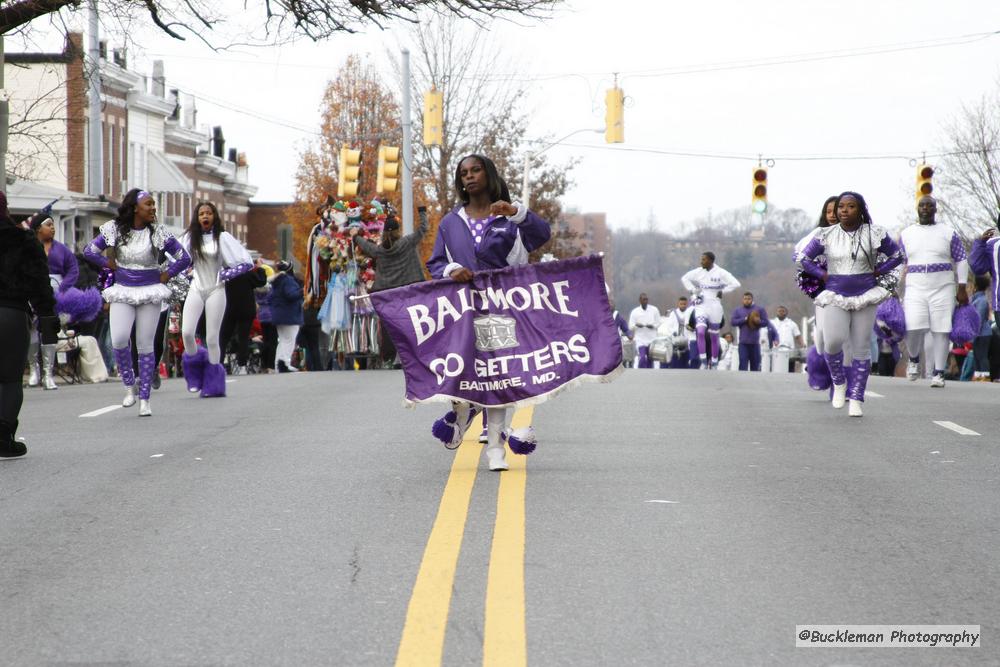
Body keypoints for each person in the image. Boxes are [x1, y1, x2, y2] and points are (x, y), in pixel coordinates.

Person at [426, 153, 551, 472]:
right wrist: (452, 269)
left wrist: (516, 212)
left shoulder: (509, 218)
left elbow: (542, 235)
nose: (469, 176)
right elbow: (436, 263)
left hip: (504, 309)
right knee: (462, 374)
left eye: (476, 170)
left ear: (489, 174)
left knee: (498, 378)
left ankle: (495, 449)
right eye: (463, 172)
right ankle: (462, 412)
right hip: (463, 310)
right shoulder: (451, 222)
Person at [84, 189, 191, 416]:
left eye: (154, 204)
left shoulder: (158, 233)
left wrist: (166, 274)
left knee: (145, 344)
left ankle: (145, 398)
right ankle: (128, 386)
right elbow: (89, 251)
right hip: (123, 290)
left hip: (150, 291)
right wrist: (108, 264)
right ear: (135, 207)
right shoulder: (115, 229)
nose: (153, 208)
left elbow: (184, 258)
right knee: (120, 339)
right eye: (148, 204)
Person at [798, 191, 903, 417]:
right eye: (841, 207)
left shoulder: (874, 233)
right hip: (835, 294)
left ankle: (856, 397)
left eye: (851, 206)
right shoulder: (825, 234)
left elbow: (897, 256)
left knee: (861, 347)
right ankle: (838, 383)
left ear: (861, 209)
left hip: (866, 295)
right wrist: (823, 276)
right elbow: (804, 259)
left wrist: (878, 271)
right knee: (833, 341)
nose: (844, 210)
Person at [0, 192, 58, 457]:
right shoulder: (23, 240)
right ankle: (4, 438)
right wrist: (47, 316)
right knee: (10, 379)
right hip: (11, 313)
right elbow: (39, 283)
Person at [178, 202, 253, 396]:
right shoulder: (189, 238)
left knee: (212, 338)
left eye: (209, 213)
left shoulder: (223, 237)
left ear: (214, 216)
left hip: (216, 289)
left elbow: (246, 262)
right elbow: (175, 261)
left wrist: (227, 274)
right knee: (187, 332)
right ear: (197, 217)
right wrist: (186, 273)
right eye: (202, 213)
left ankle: (213, 382)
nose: (205, 216)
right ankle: (194, 371)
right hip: (196, 287)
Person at [899, 195, 969, 388]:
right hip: (915, 286)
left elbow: (962, 259)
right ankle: (913, 359)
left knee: (941, 329)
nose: (926, 209)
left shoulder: (948, 232)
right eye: (922, 205)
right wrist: (892, 289)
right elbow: (899, 262)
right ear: (917, 209)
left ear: (935, 209)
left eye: (930, 206)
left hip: (943, 286)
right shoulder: (907, 234)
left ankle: (938, 372)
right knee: (912, 325)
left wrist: (962, 286)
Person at [350, 207, 429, 366]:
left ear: (384, 232)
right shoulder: (407, 242)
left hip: (388, 294)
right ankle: (410, 356)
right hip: (409, 291)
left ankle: (392, 357)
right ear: (398, 231)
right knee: (410, 323)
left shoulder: (380, 251)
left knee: (392, 326)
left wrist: (356, 237)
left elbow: (367, 247)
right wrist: (421, 213)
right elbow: (423, 229)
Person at [681, 251, 741, 368]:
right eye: (701, 259)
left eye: (703, 260)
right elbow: (685, 278)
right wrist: (693, 290)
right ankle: (703, 361)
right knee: (701, 331)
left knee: (714, 336)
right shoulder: (699, 272)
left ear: (710, 261)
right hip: (702, 305)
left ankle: (714, 361)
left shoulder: (721, 272)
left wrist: (723, 291)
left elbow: (736, 283)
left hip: (715, 305)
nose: (701, 262)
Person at [220, 260, 268, 375]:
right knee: (244, 337)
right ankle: (242, 364)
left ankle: (218, 362)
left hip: (229, 309)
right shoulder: (246, 272)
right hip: (246, 309)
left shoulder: (227, 273)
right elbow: (261, 281)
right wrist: (260, 268)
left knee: (223, 337)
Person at [269, 260, 304, 373]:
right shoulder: (288, 281)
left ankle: (278, 364)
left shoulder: (276, 281)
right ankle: (284, 363)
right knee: (289, 340)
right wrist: (302, 291)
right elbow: (291, 295)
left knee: (283, 340)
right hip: (290, 315)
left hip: (279, 314)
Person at [730, 292, 770, 371]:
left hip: (755, 343)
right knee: (743, 365)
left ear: (752, 299)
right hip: (743, 343)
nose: (747, 301)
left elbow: (766, 322)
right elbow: (733, 322)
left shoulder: (759, 309)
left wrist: (758, 322)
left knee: (755, 367)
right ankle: (742, 382)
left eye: (749, 299)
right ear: (742, 300)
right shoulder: (738, 310)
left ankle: (754, 383)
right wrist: (745, 319)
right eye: (745, 299)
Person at [627, 293, 661, 369]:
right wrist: (636, 325)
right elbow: (630, 326)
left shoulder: (654, 310)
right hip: (640, 339)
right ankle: (641, 372)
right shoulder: (635, 312)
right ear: (640, 300)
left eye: (646, 299)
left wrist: (653, 326)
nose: (645, 301)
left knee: (650, 359)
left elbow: (659, 322)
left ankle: (648, 376)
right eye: (643, 299)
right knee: (642, 357)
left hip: (652, 339)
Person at [970, 274, 992, 381]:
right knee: (976, 355)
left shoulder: (981, 300)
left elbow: (979, 319)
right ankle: (978, 374)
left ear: (976, 286)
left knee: (982, 355)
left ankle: (985, 375)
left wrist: (974, 334)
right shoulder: (977, 299)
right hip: (978, 333)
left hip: (983, 333)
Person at [665, 295, 697, 369]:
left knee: (687, 359)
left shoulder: (690, 313)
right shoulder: (673, 313)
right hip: (676, 340)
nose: (683, 305)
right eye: (681, 304)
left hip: (687, 340)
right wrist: (673, 333)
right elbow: (669, 326)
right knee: (675, 360)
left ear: (687, 304)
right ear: (678, 304)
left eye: (684, 304)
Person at [770, 305, 803, 373]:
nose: (781, 313)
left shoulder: (791, 323)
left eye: (783, 311)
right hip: (775, 350)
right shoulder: (772, 323)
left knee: (790, 371)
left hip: (789, 351)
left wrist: (802, 344)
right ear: (776, 312)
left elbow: (798, 336)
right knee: (775, 370)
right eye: (779, 311)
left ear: (786, 313)